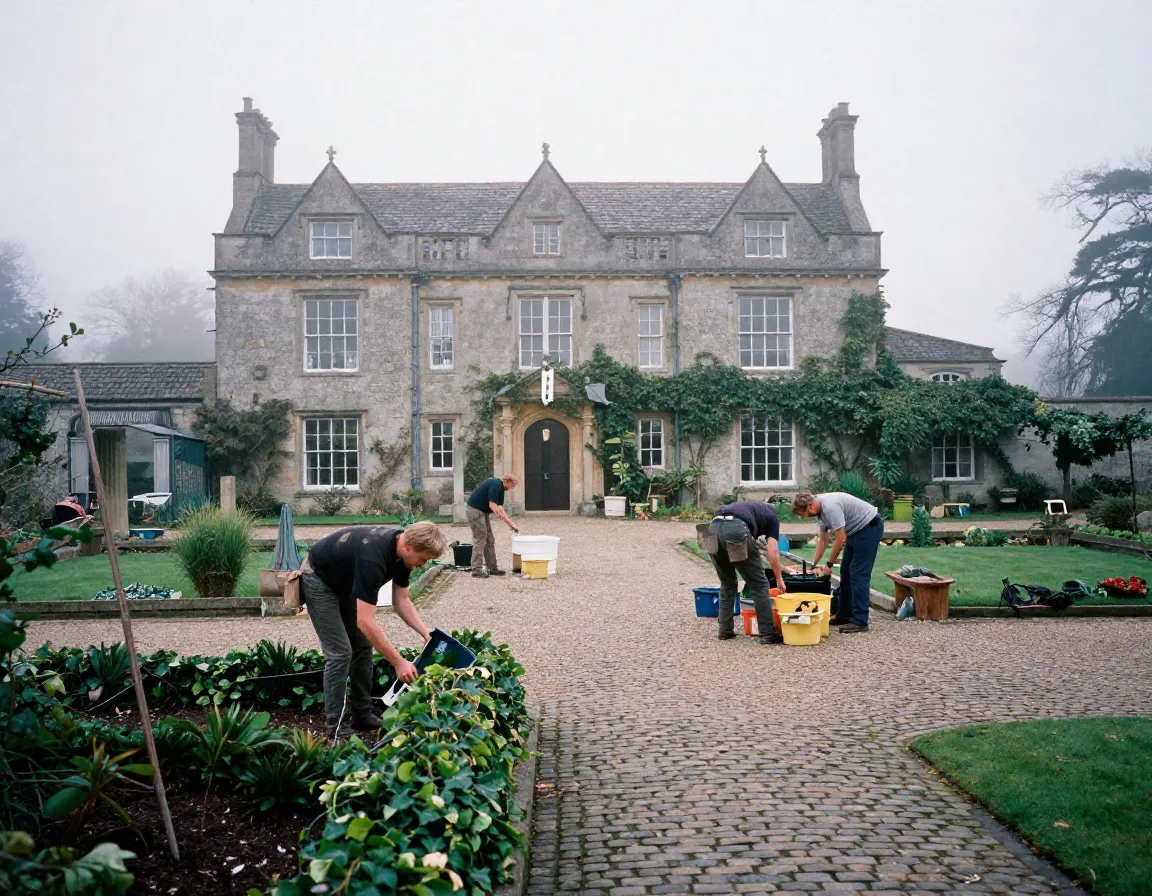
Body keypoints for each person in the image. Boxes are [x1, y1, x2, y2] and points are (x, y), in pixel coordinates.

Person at [301, 521, 447, 731]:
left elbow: (402, 601)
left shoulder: (403, 556)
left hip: (346, 580)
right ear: (408, 547)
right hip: (319, 579)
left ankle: (362, 715)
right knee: (340, 653)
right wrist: (398, 662)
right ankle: (336, 726)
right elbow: (365, 621)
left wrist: (425, 632)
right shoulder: (373, 558)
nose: (422, 564)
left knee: (362, 647)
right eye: (423, 559)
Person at [791, 491, 883, 634]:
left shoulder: (830, 508)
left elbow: (840, 539)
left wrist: (829, 564)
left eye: (803, 514)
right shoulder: (818, 512)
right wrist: (813, 565)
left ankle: (860, 620)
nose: (804, 517)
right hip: (855, 531)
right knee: (845, 572)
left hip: (868, 527)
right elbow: (823, 540)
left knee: (858, 574)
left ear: (809, 505)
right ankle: (845, 615)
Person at [706, 499, 786, 645]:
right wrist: (779, 578)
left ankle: (725, 630)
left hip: (713, 528)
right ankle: (768, 632)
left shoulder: (748, 507)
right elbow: (773, 552)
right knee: (759, 584)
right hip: (736, 529)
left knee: (727, 582)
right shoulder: (773, 518)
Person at [466, 474, 519, 578]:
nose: (511, 489)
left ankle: (492, 567)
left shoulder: (501, 489)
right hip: (474, 511)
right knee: (480, 538)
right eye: (512, 486)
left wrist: (510, 524)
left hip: (482, 512)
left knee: (490, 539)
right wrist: (500, 516)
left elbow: (500, 508)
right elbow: (493, 506)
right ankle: (476, 568)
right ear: (508, 482)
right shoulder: (495, 484)